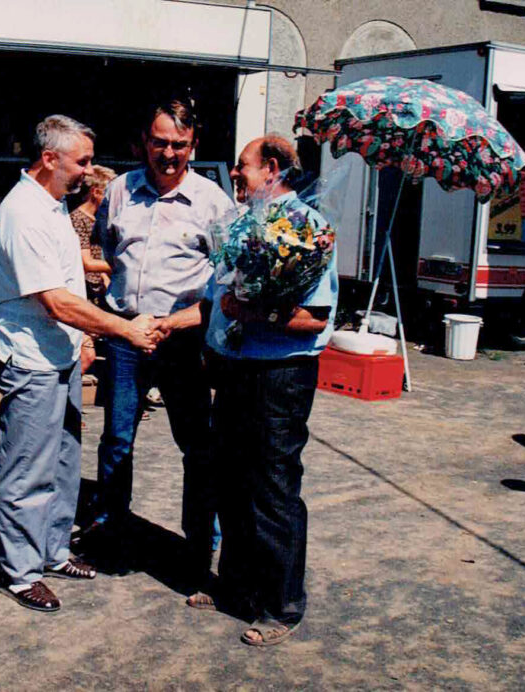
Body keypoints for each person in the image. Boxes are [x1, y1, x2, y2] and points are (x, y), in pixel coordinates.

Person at [159, 135, 338, 646]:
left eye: (243, 167)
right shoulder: (244, 225)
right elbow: (220, 297)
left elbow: (316, 319)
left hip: (279, 376)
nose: (235, 175)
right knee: (231, 480)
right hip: (235, 369)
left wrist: (255, 311)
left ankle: (281, 605)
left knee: (273, 487)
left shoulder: (307, 228)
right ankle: (236, 586)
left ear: (273, 169)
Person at [0, 115, 159, 613]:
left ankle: (52, 550)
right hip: (32, 360)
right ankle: (20, 573)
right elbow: (56, 300)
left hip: (59, 356)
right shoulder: (22, 213)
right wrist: (122, 328)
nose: (88, 170)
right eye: (81, 160)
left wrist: (84, 339)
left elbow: (71, 277)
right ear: (49, 158)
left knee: (63, 462)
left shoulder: (52, 205)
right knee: (28, 468)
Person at [81, 97, 235, 589]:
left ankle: (199, 541)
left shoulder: (214, 203)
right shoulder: (121, 191)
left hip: (183, 341)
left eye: (180, 145)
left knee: (195, 443)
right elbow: (106, 246)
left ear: (194, 146)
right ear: (143, 142)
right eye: (160, 143)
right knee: (117, 438)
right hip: (127, 334)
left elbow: (229, 279)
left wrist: (185, 322)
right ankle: (110, 524)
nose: (169, 154)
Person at [70, 165, 116, 308]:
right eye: (111, 193)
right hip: (84, 292)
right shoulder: (77, 219)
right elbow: (86, 263)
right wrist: (124, 266)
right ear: (96, 192)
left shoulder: (98, 219)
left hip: (98, 290)